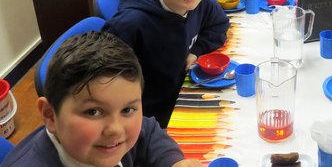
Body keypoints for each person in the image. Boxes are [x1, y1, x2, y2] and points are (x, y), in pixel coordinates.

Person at [1, 32, 202, 167]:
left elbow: (147, 131)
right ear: (50, 115)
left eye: (127, 110)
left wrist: (173, 162)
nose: (115, 128)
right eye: (93, 112)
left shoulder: (99, 143)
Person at [103, 0, 229, 128]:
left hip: (182, 93)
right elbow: (104, 83)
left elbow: (219, 25)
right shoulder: (131, 24)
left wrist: (195, 52)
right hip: (150, 119)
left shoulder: (201, 2)